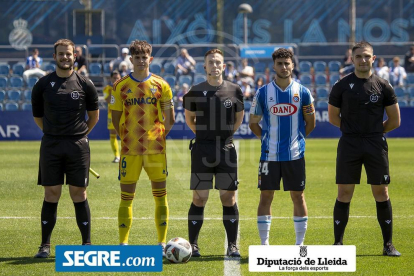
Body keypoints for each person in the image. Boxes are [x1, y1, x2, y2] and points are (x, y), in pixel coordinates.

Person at [328, 41, 401, 256]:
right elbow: (333, 117)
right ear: (352, 59)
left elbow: (394, 120)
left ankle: (388, 245)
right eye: (358, 56)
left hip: (375, 143)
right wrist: (353, 131)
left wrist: (374, 133)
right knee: (344, 192)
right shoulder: (341, 85)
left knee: (381, 191)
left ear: (373, 58)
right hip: (349, 143)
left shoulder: (383, 85)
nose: (363, 60)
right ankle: (338, 244)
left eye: (366, 56)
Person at [31, 39, 99, 258]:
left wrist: (78, 136)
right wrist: (54, 133)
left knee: (79, 193)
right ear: (54, 57)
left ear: (74, 56)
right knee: (51, 193)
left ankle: (86, 244)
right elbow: (38, 117)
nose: (65, 57)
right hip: (51, 145)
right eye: (61, 54)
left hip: (78, 145)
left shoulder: (85, 83)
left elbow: (94, 117)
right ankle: (45, 246)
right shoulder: (42, 84)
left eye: (68, 54)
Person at [110, 40, 175, 255]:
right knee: (126, 197)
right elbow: (116, 118)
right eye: (136, 57)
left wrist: (156, 137)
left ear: (150, 59)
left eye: (144, 57)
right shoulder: (120, 86)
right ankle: (123, 243)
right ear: (131, 59)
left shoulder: (162, 85)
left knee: (160, 196)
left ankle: (162, 242)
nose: (140, 61)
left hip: (156, 150)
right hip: (130, 151)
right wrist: (130, 139)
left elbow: (170, 119)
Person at [249, 48, 316, 246]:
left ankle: (299, 244)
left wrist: (299, 139)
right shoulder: (263, 93)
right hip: (268, 156)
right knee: (266, 196)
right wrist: (265, 138)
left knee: (298, 196)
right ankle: (264, 244)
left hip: (295, 155)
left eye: (287, 63)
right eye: (280, 64)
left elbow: (310, 123)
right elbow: (253, 122)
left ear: (292, 65)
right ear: (274, 66)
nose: (284, 67)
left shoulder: (303, 92)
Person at [183, 49, 244, 258]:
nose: (215, 66)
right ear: (205, 67)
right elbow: (190, 118)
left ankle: (233, 245)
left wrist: (224, 136)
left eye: (218, 62)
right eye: (211, 62)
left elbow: (238, 118)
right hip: (202, 149)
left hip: (226, 150)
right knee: (199, 198)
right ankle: (193, 245)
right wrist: (204, 135)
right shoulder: (195, 91)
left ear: (224, 66)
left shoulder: (235, 90)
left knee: (228, 198)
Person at [103, 70, 121, 163]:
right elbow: (109, 100)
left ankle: (127, 155)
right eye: (114, 78)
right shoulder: (107, 88)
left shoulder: (124, 87)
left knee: (125, 135)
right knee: (113, 135)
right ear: (111, 79)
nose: (116, 80)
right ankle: (117, 156)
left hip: (123, 114)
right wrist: (113, 89)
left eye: (118, 78)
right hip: (112, 114)